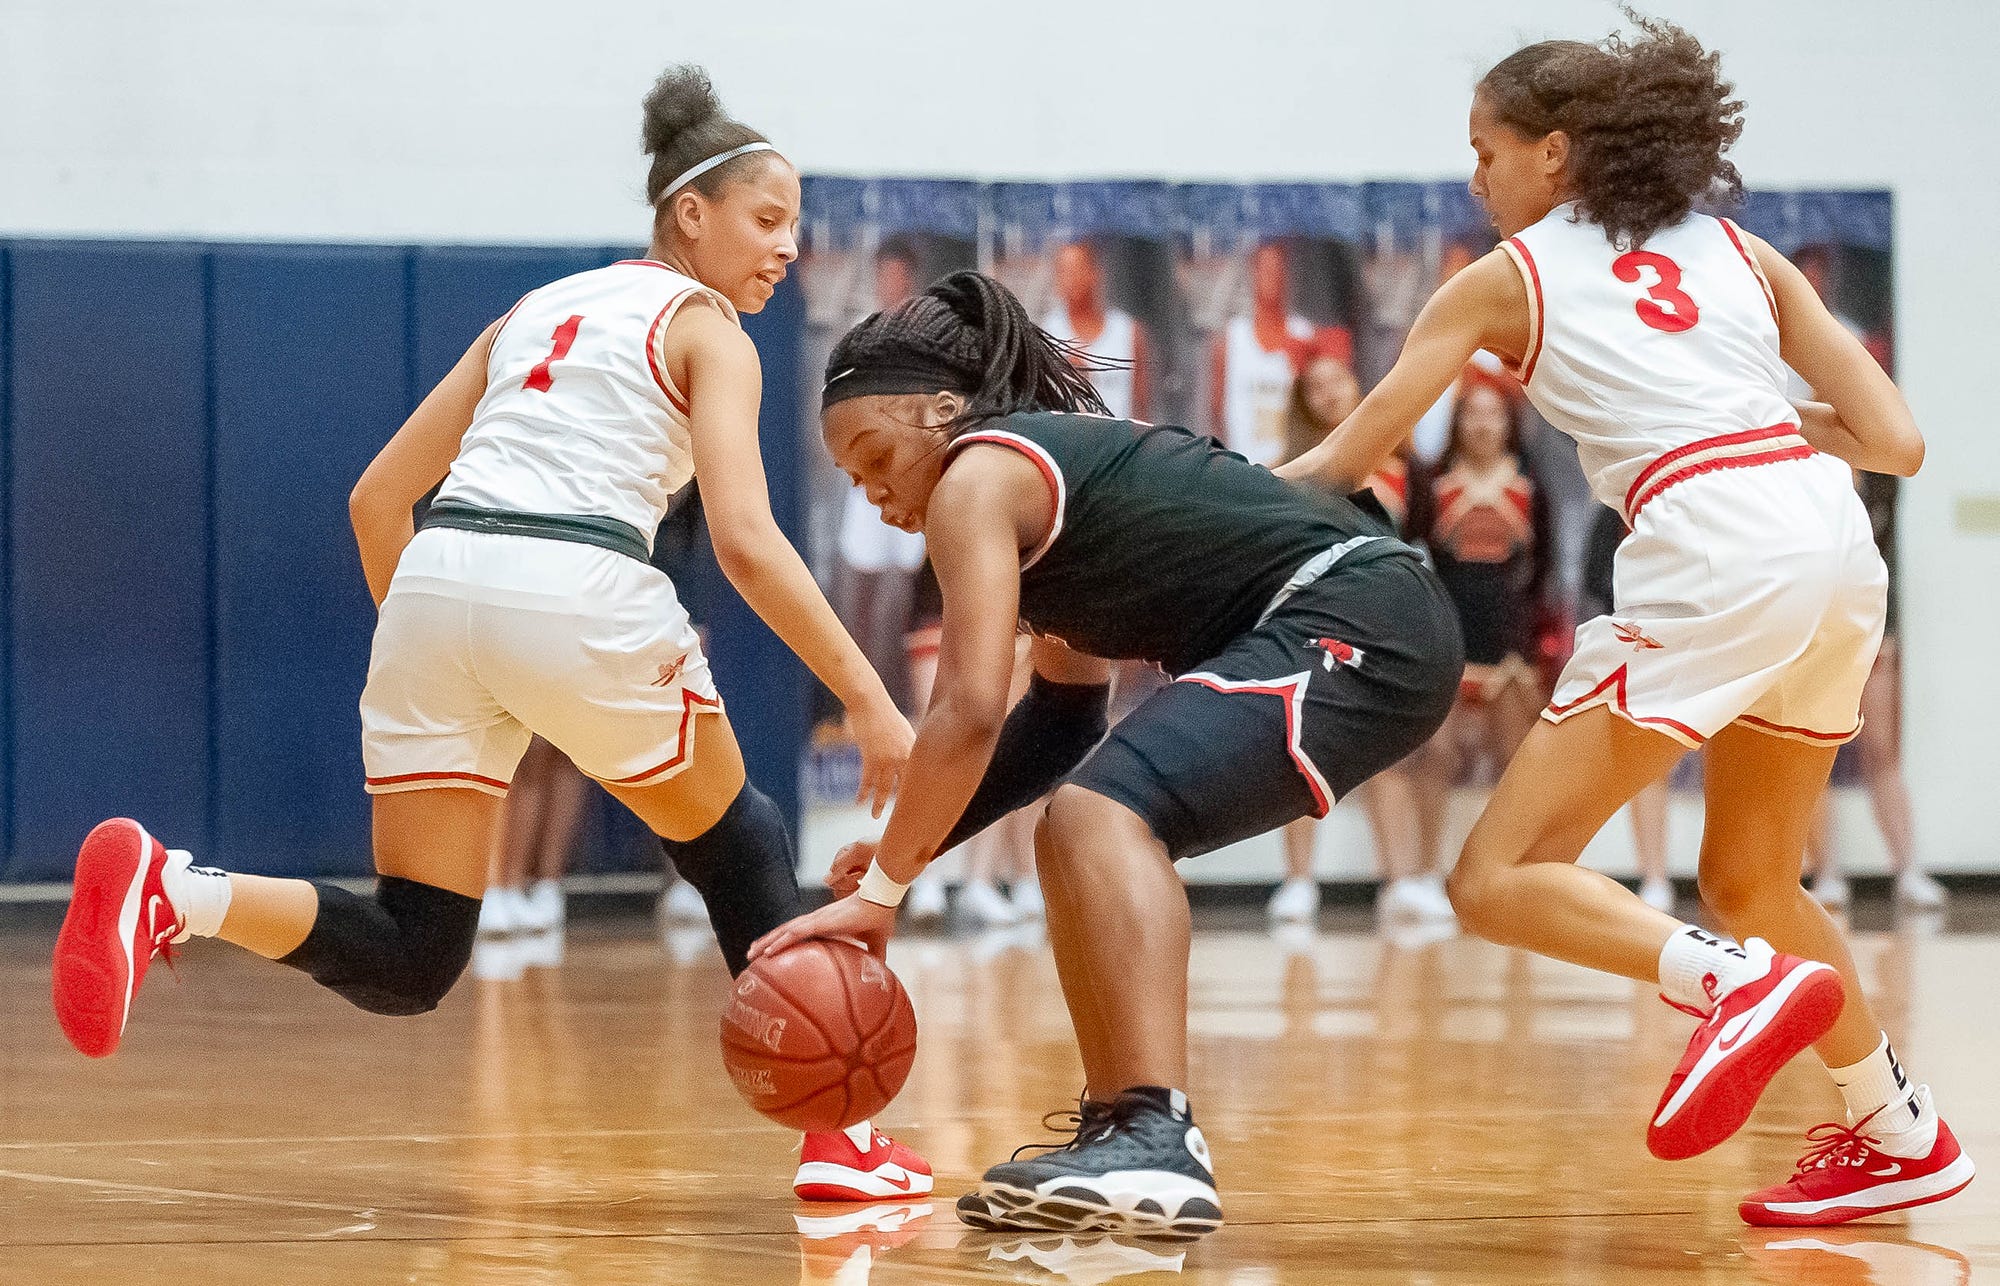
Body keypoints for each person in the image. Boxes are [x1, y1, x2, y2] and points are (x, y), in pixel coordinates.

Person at [51, 65, 930, 1203]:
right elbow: (749, 541)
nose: (784, 250)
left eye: (794, 228)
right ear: (690, 214)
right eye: (767, 220)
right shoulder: (707, 327)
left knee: (417, 948)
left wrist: (449, 655)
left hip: (434, 585)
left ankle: (174, 887)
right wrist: (865, 694)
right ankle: (842, 1142)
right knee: (742, 846)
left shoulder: (529, 310)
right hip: (579, 577)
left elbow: (377, 498)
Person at [1278, 19, 1970, 1224]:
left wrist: (1170, 490)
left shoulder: (1505, 276)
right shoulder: (1745, 253)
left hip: (1711, 543)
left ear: (1553, 153)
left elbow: (1348, 453)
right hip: (1828, 540)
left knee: (1494, 873)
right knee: (1753, 873)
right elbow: (1895, 443)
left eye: (1483, 149)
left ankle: (1726, 984)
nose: (1473, 177)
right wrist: (1751, 427)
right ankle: (1898, 1127)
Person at [750, 271, 1464, 1236]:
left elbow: (963, 712)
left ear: (942, 412)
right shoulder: (1051, 488)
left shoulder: (979, 477)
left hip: (1356, 614)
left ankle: (1157, 1135)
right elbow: (1061, 717)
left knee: (1099, 817)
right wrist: (903, 861)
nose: (875, 494)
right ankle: (1121, 1130)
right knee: (1077, 824)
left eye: (878, 456)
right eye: (853, 480)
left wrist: (885, 888)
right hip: (1358, 617)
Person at [1268, 354, 1450, 926]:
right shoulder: (1289, 471)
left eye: (1336, 380)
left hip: (1388, 627)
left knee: (1393, 754)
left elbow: (1429, 552)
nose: (1326, 393)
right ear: (1301, 402)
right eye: (1313, 385)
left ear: (1358, 388)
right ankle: (1298, 882)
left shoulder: (1408, 471)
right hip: (1312, 622)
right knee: (1295, 750)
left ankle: (1403, 880)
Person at [1409, 368, 1556, 893]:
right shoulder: (1435, 485)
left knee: (1515, 761)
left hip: (1510, 638)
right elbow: (1415, 557)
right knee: (1437, 754)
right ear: (1457, 422)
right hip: (1450, 635)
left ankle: (1512, 877)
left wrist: (1535, 641)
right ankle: (1424, 871)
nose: (1482, 424)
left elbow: (1543, 568)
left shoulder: (1528, 485)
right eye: (1471, 412)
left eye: (1493, 412)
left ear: (1508, 421)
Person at [1580, 502, 1677, 913]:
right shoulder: (1615, 511)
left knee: (1729, 763)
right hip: (1644, 647)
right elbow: (1595, 581)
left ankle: (1738, 879)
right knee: (1648, 765)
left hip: (1708, 641)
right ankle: (1654, 875)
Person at [1210, 241, 1351, 467]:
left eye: (1278, 269)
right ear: (1252, 272)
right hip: (1241, 467)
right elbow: (1216, 411)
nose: (1272, 277)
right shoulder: (1231, 339)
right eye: (1265, 269)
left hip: (1293, 468)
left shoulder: (1306, 335)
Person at [1040, 240, 1152, 421]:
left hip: (1119, 443)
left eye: (1077, 269)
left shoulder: (1127, 331)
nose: (1070, 279)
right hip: (1069, 442)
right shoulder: (1048, 333)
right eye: (1063, 271)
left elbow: (1142, 404)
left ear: (1095, 273)